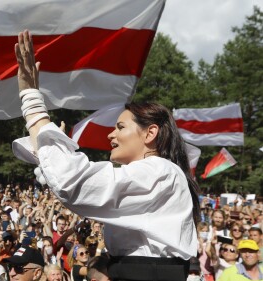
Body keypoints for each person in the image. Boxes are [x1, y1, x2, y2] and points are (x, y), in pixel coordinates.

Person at [12, 30, 200, 281]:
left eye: (120, 127)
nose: (110, 136)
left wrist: (32, 102)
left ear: (150, 133)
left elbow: (74, 182)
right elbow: (72, 185)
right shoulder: (157, 173)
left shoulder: (160, 172)